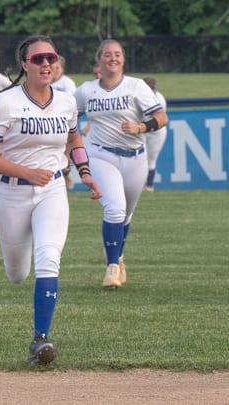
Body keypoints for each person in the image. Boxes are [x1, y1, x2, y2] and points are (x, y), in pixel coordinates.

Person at [0, 35, 102, 365]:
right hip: (10, 192)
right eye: (38, 59)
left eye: (50, 57)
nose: (46, 63)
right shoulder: (5, 103)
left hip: (52, 189)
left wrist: (85, 170)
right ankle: (18, 270)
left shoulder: (64, 101)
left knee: (49, 258)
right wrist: (27, 172)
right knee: (17, 272)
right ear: (25, 64)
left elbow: (74, 137)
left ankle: (40, 340)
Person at [74, 39, 168, 289]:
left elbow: (161, 117)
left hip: (135, 156)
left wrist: (141, 126)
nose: (112, 58)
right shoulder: (86, 90)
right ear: (99, 60)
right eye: (107, 54)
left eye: (117, 54)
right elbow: (68, 115)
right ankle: (112, 267)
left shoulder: (136, 86)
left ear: (123, 59)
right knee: (114, 208)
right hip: (100, 154)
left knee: (126, 215)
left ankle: (118, 256)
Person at [51, 56, 78, 190]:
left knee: (64, 150)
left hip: (63, 123)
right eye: (53, 67)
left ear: (62, 69)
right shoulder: (45, 83)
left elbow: (73, 104)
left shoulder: (67, 83)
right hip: (48, 123)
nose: (55, 70)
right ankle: (62, 172)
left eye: (58, 68)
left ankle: (65, 171)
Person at [142, 76, 168, 192]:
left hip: (157, 132)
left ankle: (149, 185)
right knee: (139, 158)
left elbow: (159, 119)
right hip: (142, 130)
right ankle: (138, 185)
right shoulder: (139, 97)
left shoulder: (159, 99)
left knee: (151, 158)